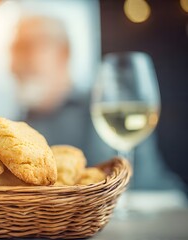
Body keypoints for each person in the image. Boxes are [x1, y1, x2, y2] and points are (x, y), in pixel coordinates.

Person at [10, 15, 181, 189]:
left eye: (27, 47)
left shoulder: (105, 107)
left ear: (63, 53)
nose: (17, 62)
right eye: (13, 49)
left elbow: (143, 181)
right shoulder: (19, 123)